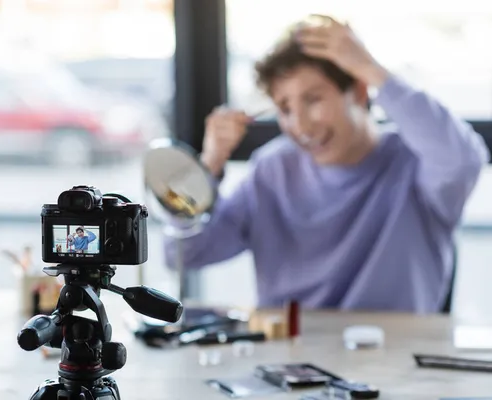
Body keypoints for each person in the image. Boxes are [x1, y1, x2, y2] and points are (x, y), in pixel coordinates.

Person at [163, 15, 490, 313]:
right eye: (285, 108)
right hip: (289, 361)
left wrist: (373, 70)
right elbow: (183, 254)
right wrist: (207, 167)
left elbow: (463, 160)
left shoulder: (414, 161)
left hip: (393, 358)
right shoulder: (272, 170)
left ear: (360, 92)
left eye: (314, 99)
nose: (301, 126)